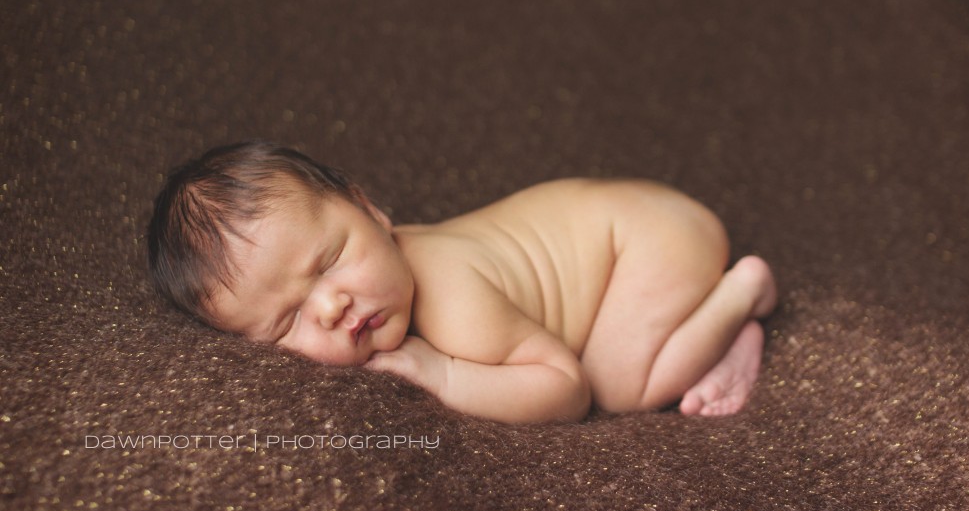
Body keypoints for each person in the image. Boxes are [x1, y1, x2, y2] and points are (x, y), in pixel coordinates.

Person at [148, 140, 777, 424]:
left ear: (371, 212)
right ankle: (720, 329)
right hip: (631, 215)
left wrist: (441, 375)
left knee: (617, 386)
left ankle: (742, 292)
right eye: (286, 321)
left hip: (648, 242)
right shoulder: (388, 270)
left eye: (331, 260)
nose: (332, 305)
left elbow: (566, 388)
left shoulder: (451, 299)